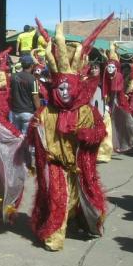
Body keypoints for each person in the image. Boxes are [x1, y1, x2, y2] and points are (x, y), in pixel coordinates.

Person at [28, 22, 108, 251]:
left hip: (78, 165)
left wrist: (86, 134)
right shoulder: (46, 111)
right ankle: (55, 235)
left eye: (67, 89)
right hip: (55, 165)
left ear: (75, 88)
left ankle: (84, 222)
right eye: (59, 89)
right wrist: (36, 131)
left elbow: (100, 131)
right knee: (57, 200)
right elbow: (35, 137)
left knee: (82, 199)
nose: (63, 93)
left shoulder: (85, 111)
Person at [10, 54, 40, 134]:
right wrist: (39, 112)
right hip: (27, 113)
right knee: (26, 139)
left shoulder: (13, 77)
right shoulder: (32, 79)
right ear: (31, 65)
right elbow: (35, 97)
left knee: (15, 137)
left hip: (14, 113)